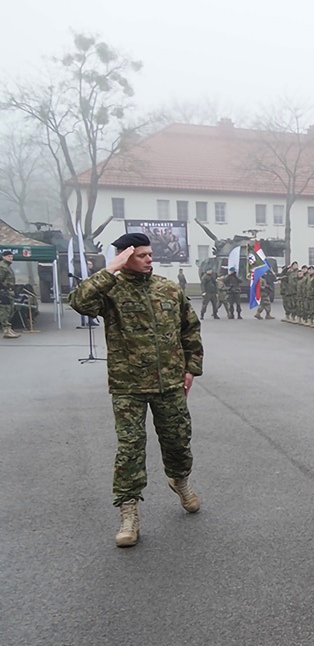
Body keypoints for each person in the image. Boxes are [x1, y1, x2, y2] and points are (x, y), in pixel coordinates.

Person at [66, 233, 204, 547]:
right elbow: (78, 301)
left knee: (178, 440)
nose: (149, 259)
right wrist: (109, 269)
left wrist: (190, 368)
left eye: (149, 254)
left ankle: (180, 480)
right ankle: (128, 511)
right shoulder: (111, 290)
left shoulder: (168, 288)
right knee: (130, 448)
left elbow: (190, 329)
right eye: (141, 255)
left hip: (169, 382)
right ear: (125, 257)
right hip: (128, 384)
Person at [0, 249, 20, 339]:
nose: (11, 258)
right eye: (9, 256)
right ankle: (6, 330)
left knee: (10, 310)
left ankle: (9, 329)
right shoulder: (2, 267)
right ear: (3, 257)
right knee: (5, 311)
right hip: (4, 291)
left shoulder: (7, 266)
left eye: (11, 256)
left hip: (9, 291)